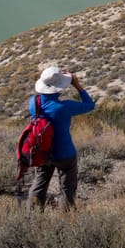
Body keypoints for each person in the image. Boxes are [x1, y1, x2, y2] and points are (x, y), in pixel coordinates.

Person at [27, 66, 95, 210]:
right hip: (64, 152)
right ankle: (66, 217)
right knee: (67, 189)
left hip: (43, 150)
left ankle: (32, 215)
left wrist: (56, 78)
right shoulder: (65, 107)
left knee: (39, 184)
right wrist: (77, 85)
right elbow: (90, 105)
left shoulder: (33, 103)